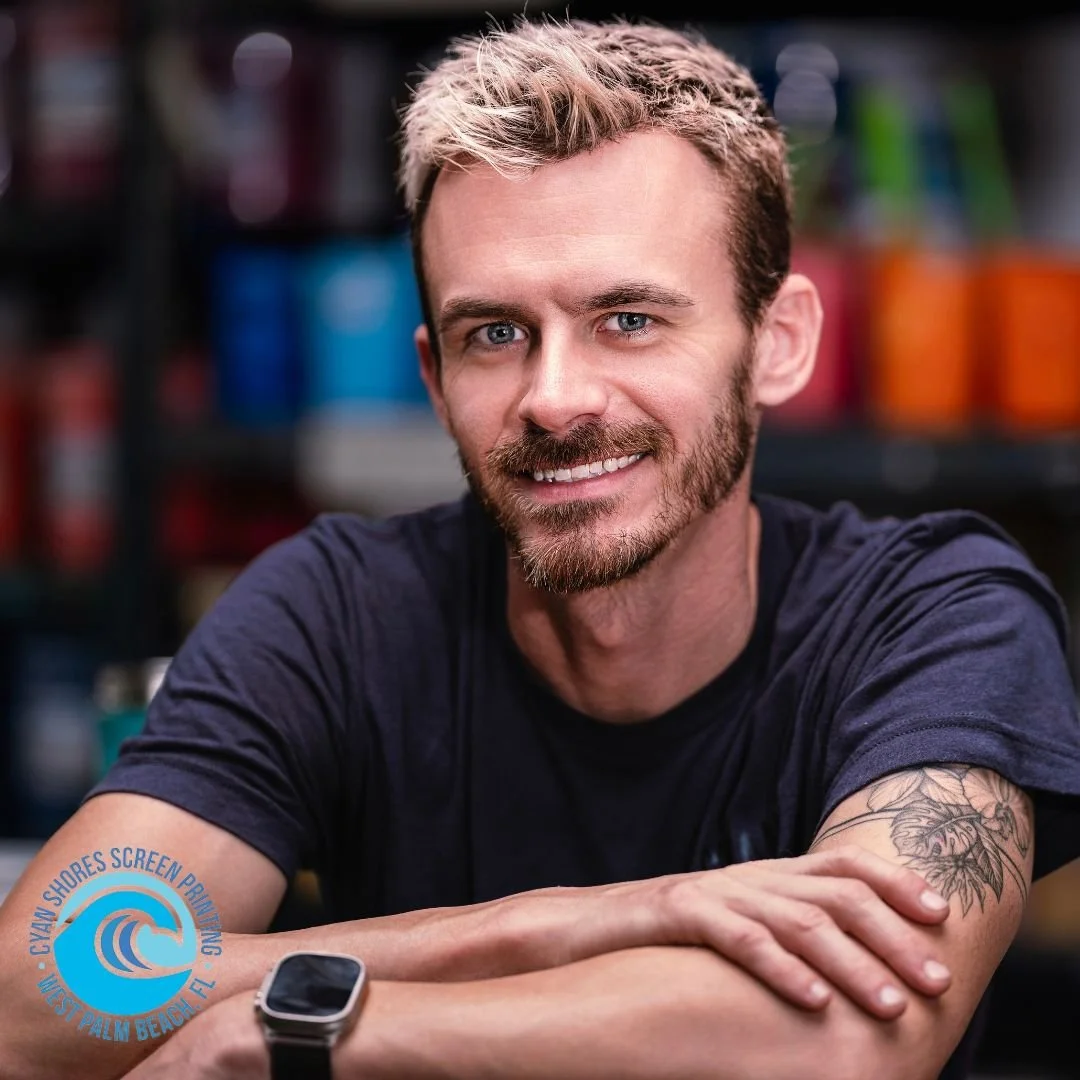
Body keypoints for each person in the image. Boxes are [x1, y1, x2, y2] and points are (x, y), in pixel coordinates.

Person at [3, 15, 1080, 1080]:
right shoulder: (331, 615)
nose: (555, 399)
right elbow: (36, 999)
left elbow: (852, 1033)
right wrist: (556, 925)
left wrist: (311, 1029)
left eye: (629, 320)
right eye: (496, 335)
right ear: (434, 381)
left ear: (778, 342)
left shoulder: (940, 615)